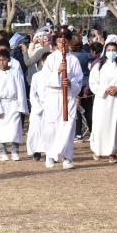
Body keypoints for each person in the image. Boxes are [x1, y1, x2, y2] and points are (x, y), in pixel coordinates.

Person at [41, 27, 83, 170]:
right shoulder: (51, 58)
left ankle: (67, 157)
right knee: (52, 127)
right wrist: (57, 73)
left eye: (65, 41)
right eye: (59, 41)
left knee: (68, 126)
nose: (62, 44)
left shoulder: (74, 60)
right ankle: (50, 155)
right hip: (54, 97)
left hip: (69, 96)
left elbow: (79, 79)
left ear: (69, 42)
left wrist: (71, 83)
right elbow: (45, 79)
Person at [0, 49, 28, 161]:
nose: (1, 62)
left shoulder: (15, 73)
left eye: (4, 60)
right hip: (0, 104)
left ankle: (15, 151)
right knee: (0, 129)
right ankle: (2, 151)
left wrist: (21, 106)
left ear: (8, 60)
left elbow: (21, 90)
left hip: (13, 104)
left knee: (15, 128)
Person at [88, 42, 117, 163]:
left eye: (113, 50)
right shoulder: (98, 66)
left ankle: (112, 153)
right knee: (99, 125)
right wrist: (105, 89)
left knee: (115, 125)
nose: (111, 52)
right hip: (102, 99)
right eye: (108, 50)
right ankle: (97, 150)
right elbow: (93, 83)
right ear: (105, 51)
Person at [26, 52, 51, 161]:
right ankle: (36, 151)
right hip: (39, 107)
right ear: (42, 62)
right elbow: (33, 94)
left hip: (52, 107)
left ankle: (50, 152)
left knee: (50, 131)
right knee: (36, 130)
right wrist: (38, 106)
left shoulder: (57, 75)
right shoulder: (36, 76)